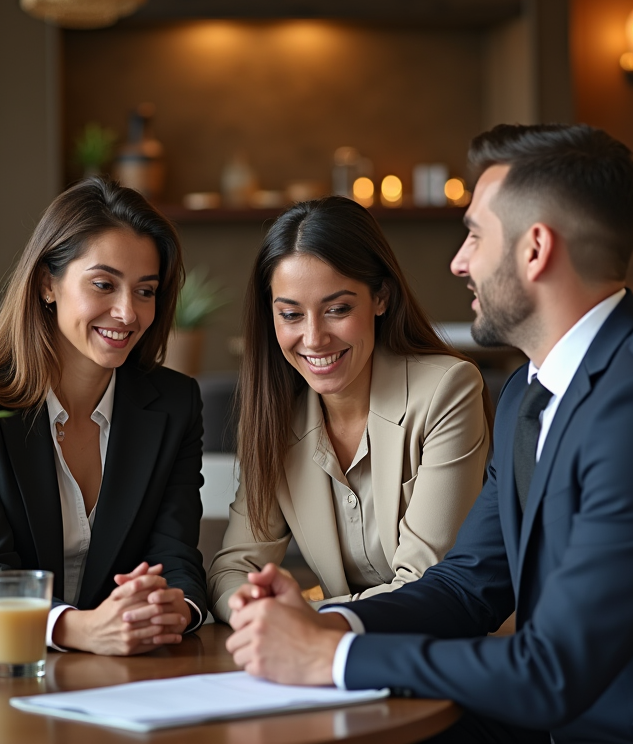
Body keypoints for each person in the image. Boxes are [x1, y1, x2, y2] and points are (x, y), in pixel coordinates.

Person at [222, 125, 633, 743]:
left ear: (535, 250)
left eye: (475, 235)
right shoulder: (530, 394)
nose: (458, 261)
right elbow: (467, 584)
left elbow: (554, 669)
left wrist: (330, 660)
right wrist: (330, 625)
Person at [0, 176, 208, 656]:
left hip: (108, 662)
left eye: (146, 291)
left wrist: (175, 606)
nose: (127, 313)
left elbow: (175, 556)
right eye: (103, 284)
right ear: (48, 283)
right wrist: (80, 629)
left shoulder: (174, 404)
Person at [207, 196, 492, 623]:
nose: (314, 337)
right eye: (290, 314)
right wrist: (251, 609)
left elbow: (426, 584)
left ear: (381, 298)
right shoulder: (276, 418)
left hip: (435, 650)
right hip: (330, 657)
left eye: (337, 309)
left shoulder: (448, 390)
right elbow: (233, 569)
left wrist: (303, 616)